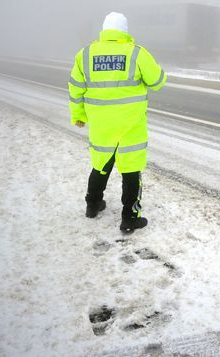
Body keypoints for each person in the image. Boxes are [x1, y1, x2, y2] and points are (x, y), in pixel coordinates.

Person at [68, 12, 167, 233]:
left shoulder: (85, 54)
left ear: (104, 30)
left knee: (100, 166)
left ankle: (92, 205)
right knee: (131, 171)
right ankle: (130, 218)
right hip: (130, 126)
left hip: (101, 125)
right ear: (125, 31)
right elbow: (158, 81)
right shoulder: (136, 53)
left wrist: (78, 115)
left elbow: (75, 88)